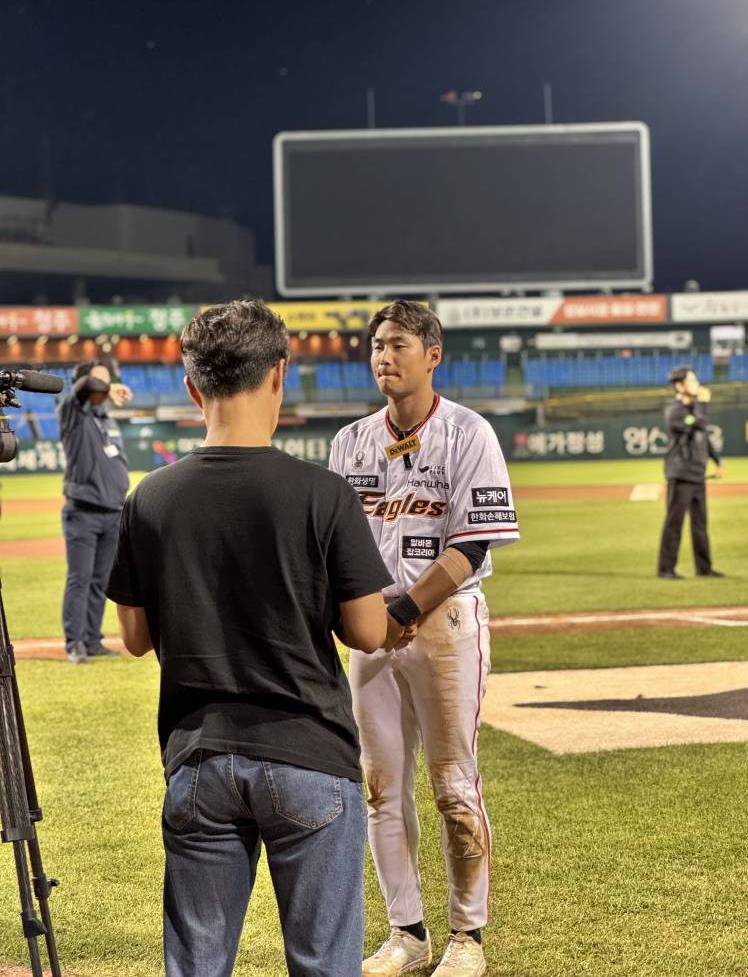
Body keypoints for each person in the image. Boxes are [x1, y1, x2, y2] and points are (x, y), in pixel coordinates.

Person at [106, 300, 391, 977]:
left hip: (200, 756)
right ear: (280, 375)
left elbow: (135, 637)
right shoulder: (323, 493)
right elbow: (368, 630)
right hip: (308, 754)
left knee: (199, 966)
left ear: (192, 387)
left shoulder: (150, 498)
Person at [329, 299, 520, 977]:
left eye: (399, 344)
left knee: (453, 785)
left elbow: (473, 542)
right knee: (380, 784)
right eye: (377, 344)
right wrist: (359, 615)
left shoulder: (469, 432)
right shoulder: (349, 441)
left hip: (444, 625)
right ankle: (405, 931)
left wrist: (406, 606)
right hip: (371, 631)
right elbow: (336, 546)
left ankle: (468, 935)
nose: (384, 355)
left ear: (433, 354)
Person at [58, 358, 133, 664]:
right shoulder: (73, 412)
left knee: (101, 580)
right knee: (80, 578)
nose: (106, 384)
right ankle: (74, 642)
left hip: (112, 512)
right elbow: (84, 389)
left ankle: (91, 639)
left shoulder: (105, 417)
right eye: (100, 380)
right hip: (83, 512)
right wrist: (108, 385)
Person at [657, 365, 724, 579]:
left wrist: (717, 461)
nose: (697, 384)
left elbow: (702, 433)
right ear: (679, 385)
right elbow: (698, 423)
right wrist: (703, 403)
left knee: (700, 524)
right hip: (681, 472)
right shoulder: (675, 410)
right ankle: (666, 568)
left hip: (698, 473)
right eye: (692, 381)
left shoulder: (695, 409)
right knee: (674, 523)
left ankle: (704, 568)